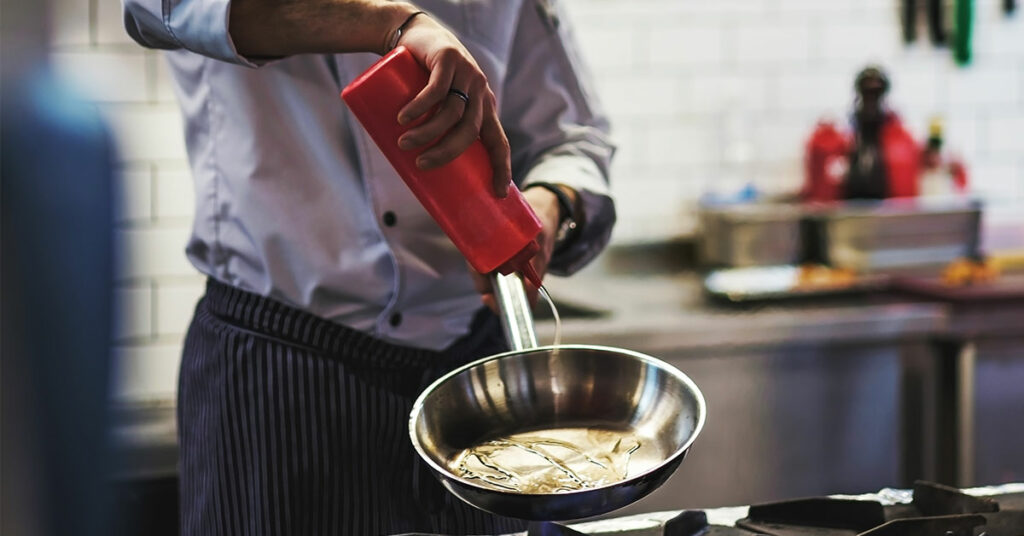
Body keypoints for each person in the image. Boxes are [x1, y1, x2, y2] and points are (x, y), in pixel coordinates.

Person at [122, 0, 616, 533]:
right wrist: (395, 25)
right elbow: (159, 9)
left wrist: (551, 203)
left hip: (471, 369)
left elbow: (572, 137)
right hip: (279, 372)